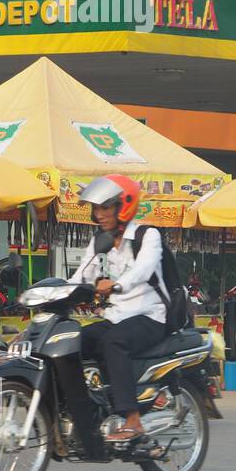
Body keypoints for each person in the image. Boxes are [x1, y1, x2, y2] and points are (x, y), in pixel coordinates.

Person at [69, 174, 169, 442]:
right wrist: (52, 292)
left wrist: (115, 285)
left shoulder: (147, 236)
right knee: (70, 342)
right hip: (116, 316)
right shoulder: (99, 240)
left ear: (123, 205)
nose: (98, 214)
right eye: (96, 209)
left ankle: (132, 420)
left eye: (105, 207)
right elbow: (82, 274)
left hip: (150, 316)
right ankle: (86, 411)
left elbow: (143, 270)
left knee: (114, 342)